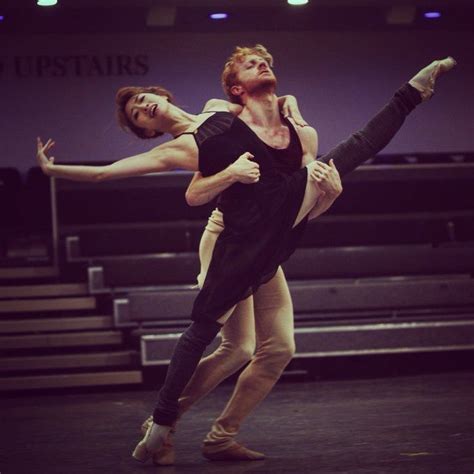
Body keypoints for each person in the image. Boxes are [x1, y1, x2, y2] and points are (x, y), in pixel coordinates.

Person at [36, 48, 456, 463]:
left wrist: (294, 109)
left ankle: (218, 436)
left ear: (162, 94)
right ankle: (161, 424)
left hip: (272, 220)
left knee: (278, 348)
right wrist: (54, 170)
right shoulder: (178, 149)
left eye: (144, 99)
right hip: (229, 234)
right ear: (147, 130)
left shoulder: (219, 106)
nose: (143, 106)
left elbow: (274, 120)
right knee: (235, 348)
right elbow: (175, 189)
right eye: (137, 114)